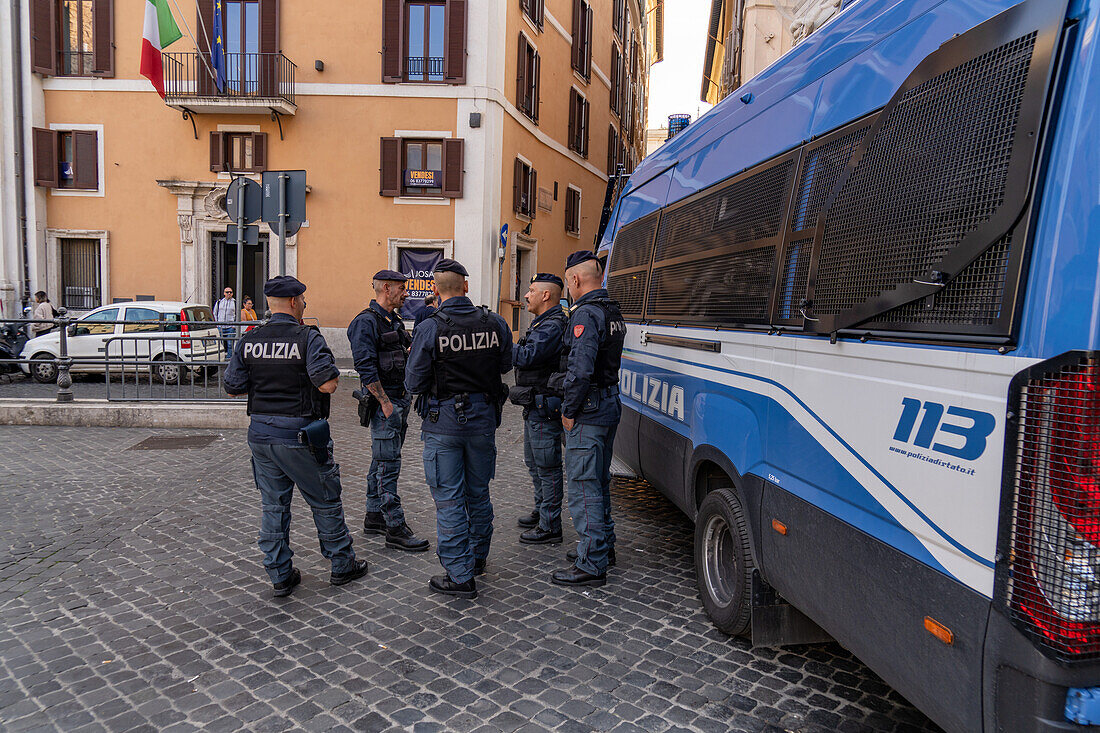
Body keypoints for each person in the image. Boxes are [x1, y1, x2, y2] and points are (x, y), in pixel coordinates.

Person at [223, 275, 367, 597]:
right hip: (301, 437)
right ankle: (342, 564)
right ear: (293, 302)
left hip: (261, 436)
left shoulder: (250, 340)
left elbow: (233, 386)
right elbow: (327, 384)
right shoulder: (307, 338)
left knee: (273, 506)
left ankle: (280, 575)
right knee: (325, 500)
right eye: (303, 299)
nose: (305, 304)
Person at [405, 258, 512, 599]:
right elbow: (507, 364)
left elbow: (413, 381)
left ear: (436, 290)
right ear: (465, 286)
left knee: (450, 500)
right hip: (483, 421)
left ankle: (460, 574)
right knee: (478, 494)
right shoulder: (494, 322)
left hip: (443, 423)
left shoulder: (430, 327)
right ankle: (478, 558)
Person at [552, 251, 626, 588]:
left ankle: (592, 561)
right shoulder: (612, 310)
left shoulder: (586, 314)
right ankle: (603, 546)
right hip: (609, 403)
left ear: (575, 279)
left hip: (590, 409)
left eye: (568, 281)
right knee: (598, 480)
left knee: (583, 485)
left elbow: (579, 371)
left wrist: (568, 411)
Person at [347, 270, 430, 552]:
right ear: (386, 288)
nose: (406, 293)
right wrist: (384, 403)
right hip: (387, 404)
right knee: (387, 466)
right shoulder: (365, 323)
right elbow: (365, 368)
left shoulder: (392, 320)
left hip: (399, 400)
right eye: (401, 289)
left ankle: (374, 516)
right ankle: (395, 527)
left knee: (381, 460)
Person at [509, 274, 569, 545]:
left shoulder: (553, 325)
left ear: (546, 295)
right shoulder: (542, 323)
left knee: (547, 465)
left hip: (545, 406)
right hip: (534, 404)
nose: (526, 295)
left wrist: (501, 344)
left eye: (531, 290)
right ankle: (542, 509)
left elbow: (527, 356)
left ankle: (550, 525)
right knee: (535, 463)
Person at [214, 286, 237, 355]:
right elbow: (215, 313)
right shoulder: (219, 302)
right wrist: (216, 323)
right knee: (220, 344)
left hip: (230, 327)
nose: (229, 293)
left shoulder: (235, 302)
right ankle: (221, 357)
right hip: (220, 326)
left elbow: (237, 314)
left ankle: (229, 358)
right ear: (224, 293)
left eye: (230, 292)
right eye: (227, 292)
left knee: (230, 344)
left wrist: (234, 325)